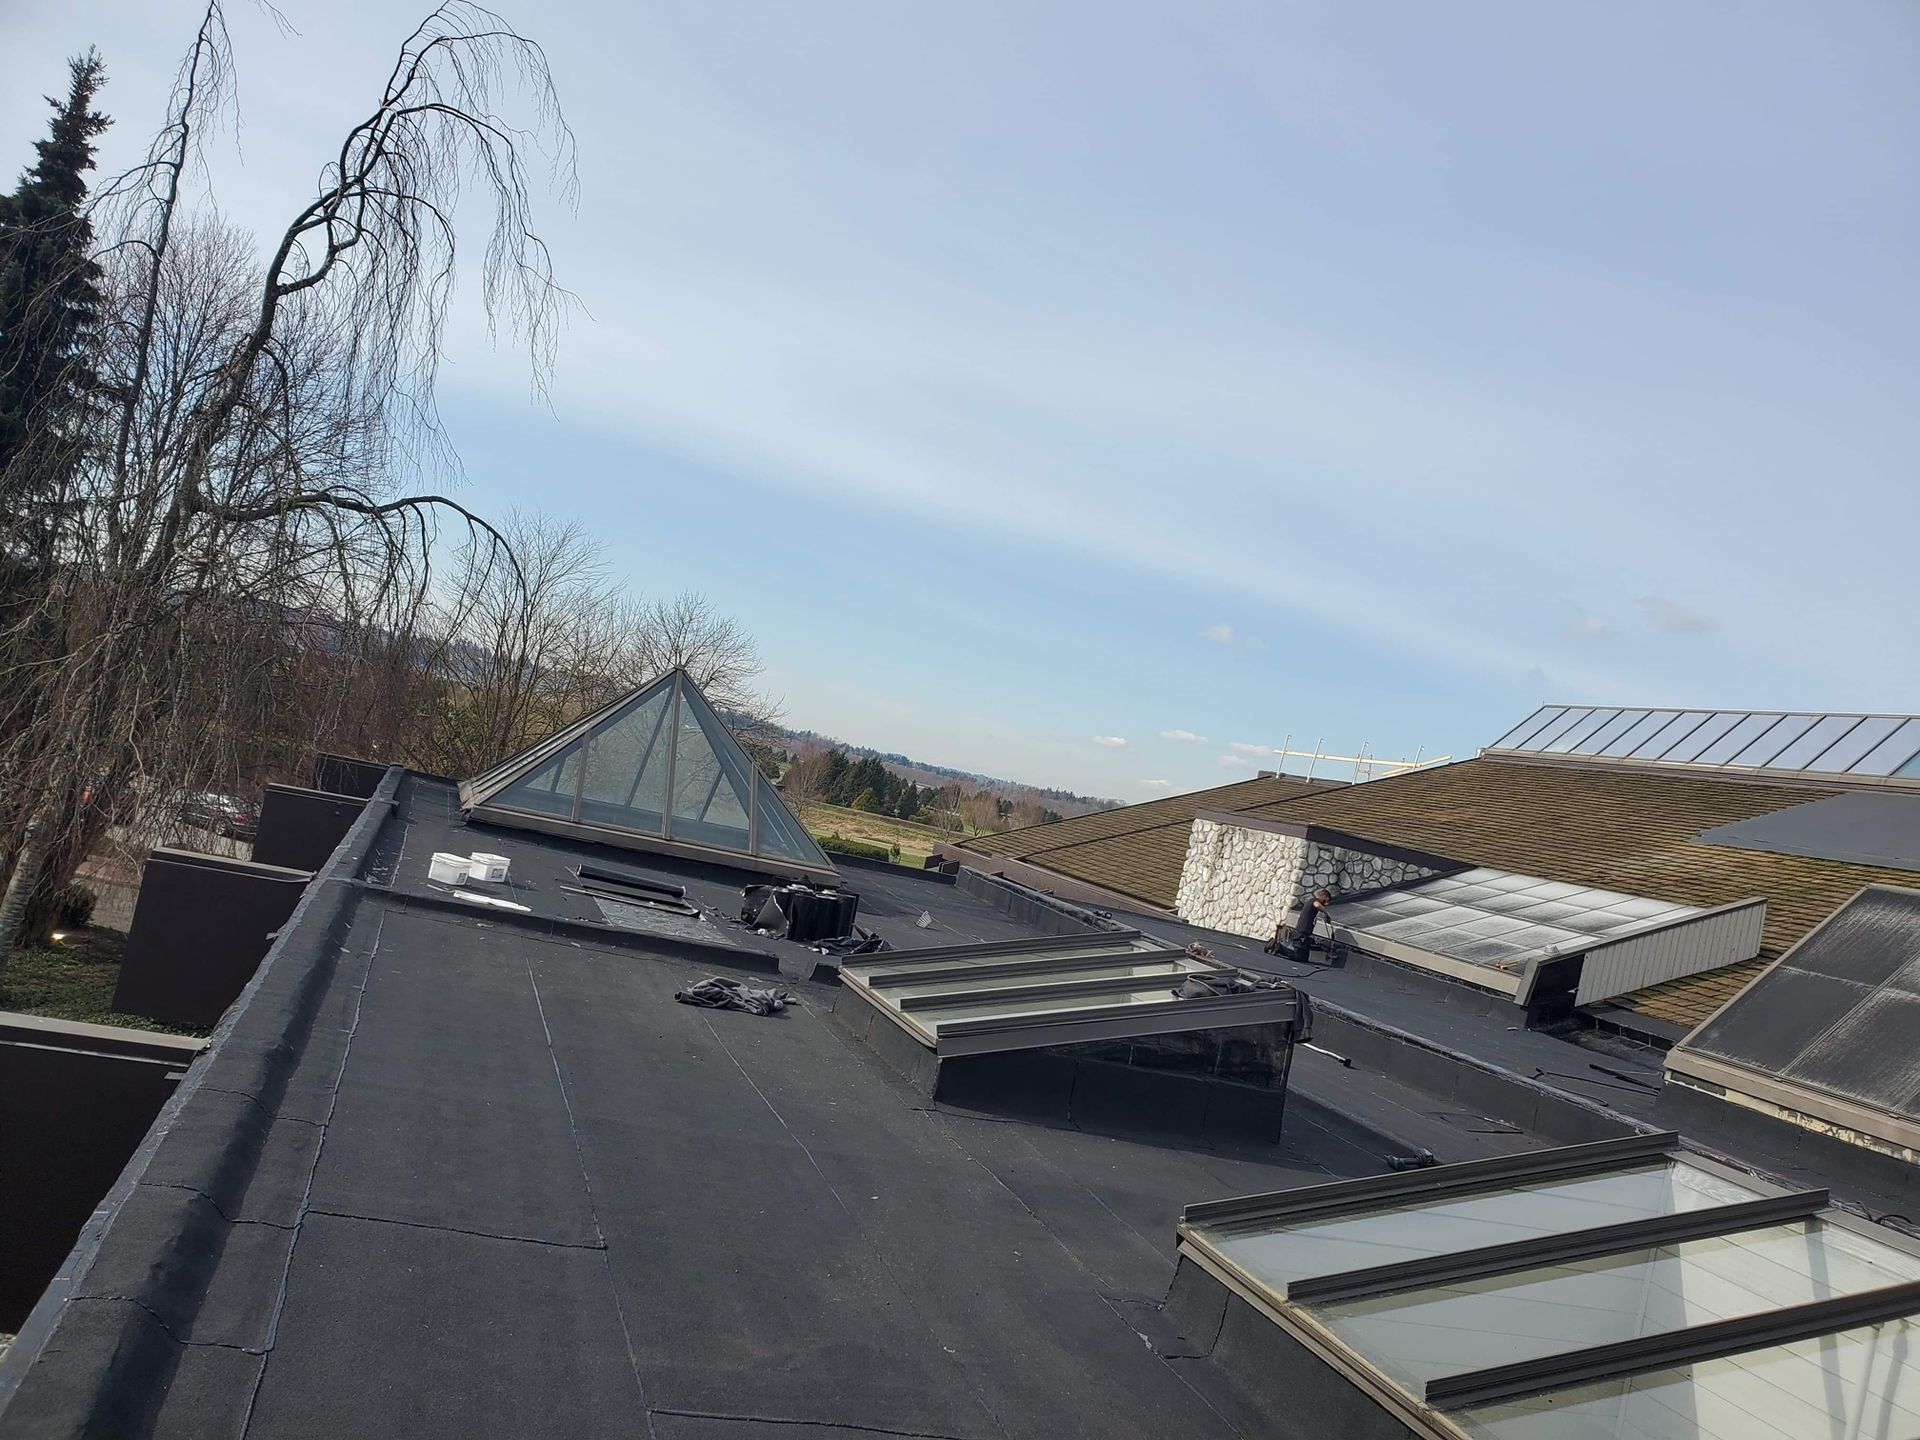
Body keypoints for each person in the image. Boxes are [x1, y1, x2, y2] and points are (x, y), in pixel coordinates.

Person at [1265, 887, 1332, 960]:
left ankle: (1278, 947)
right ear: (1324, 896)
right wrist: (1327, 914)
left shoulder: (1311, 904)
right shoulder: (1314, 901)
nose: (1326, 903)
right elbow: (1317, 905)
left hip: (1306, 933)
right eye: (1326, 900)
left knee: (1304, 958)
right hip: (1302, 932)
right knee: (1297, 956)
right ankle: (1277, 946)